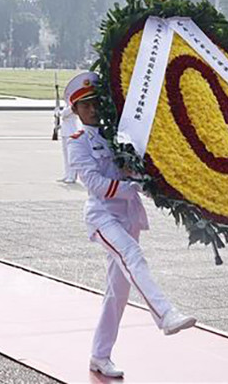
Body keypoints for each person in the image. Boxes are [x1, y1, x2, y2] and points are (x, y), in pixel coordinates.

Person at [66, 72, 196, 378]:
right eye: (86, 106)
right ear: (76, 111)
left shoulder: (117, 135)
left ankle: (100, 355)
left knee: (117, 293)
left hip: (129, 216)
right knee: (133, 256)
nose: (93, 110)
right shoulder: (78, 142)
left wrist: (144, 179)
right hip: (103, 216)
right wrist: (131, 185)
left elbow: (135, 167)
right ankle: (165, 314)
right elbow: (97, 184)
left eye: (96, 103)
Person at [57, 103, 79, 183]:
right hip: (65, 131)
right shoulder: (66, 104)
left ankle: (72, 176)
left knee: (71, 155)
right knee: (65, 155)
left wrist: (58, 112)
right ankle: (67, 174)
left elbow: (64, 114)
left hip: (71, 131)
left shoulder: (73, 104)